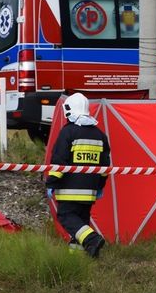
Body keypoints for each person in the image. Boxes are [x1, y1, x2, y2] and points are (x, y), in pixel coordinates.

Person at [45, 93, 110, 257]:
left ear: (68, 110)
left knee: (66, 217)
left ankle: (92, 240)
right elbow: (104, 166)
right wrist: (100, 186)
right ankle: (81, 256)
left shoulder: (68, 132)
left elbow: (60, 161)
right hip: (89, 192)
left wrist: (51, 183)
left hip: (69, 190)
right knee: (81, 223)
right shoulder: (99, 135)